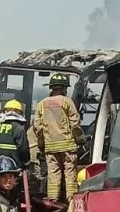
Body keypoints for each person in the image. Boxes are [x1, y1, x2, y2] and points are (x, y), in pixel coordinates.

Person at [32, 73, 84, 203]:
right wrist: (80, 139)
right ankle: (71, 198)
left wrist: (41, 144)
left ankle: (53, 199)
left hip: (50, 147)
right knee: (70, 172)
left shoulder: (41, 104)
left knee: (53, 173)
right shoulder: (67, 102)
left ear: (51, 87)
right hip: (67, 145)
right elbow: (75, 124)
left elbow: (37, 127)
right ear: (64, 88)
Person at [0, 97, 31, 171]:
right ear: (19, 112)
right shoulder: (18, 128)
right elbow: (23, 149)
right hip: (13, 166)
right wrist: (27, 163)